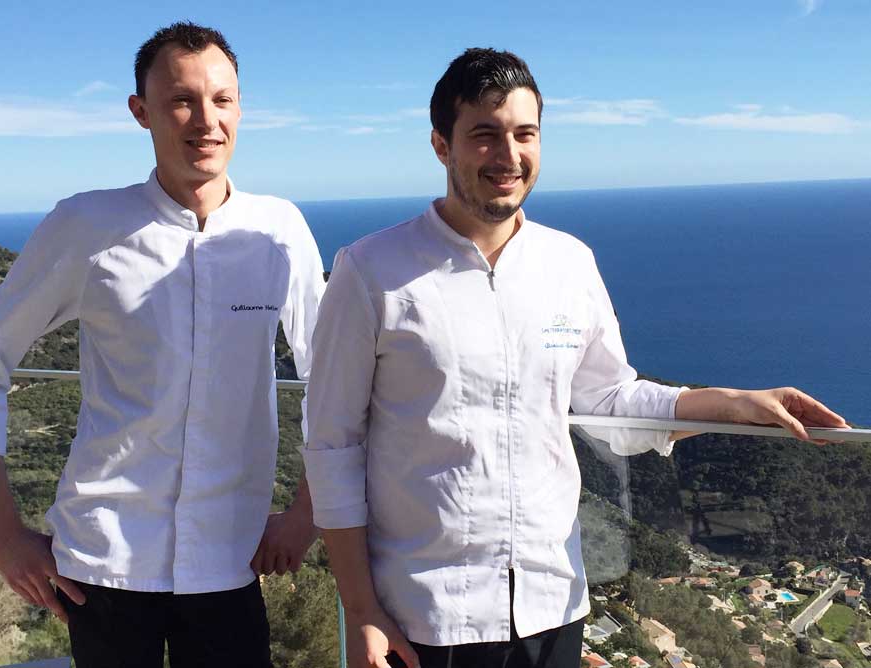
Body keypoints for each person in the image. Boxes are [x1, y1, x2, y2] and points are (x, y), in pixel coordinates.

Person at [301, 48, 847, 668]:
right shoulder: (371, 271)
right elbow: (331, 445)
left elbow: (612, 401)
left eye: (524, 134)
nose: (509, 156)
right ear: (440, 145)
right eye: (484, 135)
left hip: (553, 602)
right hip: (423, 612)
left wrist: (740, 405)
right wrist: (361, 610)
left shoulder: (569, 264)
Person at [0, 22, 323, 668]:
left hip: (231, 559)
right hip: (102, 565)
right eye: (182, 100)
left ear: (241, 108)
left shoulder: (278, 231)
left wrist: (308, 512)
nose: (206, 119)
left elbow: (335, 380)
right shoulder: (87, 225)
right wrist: (2, 532)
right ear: (141, 112)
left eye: (222, 99)